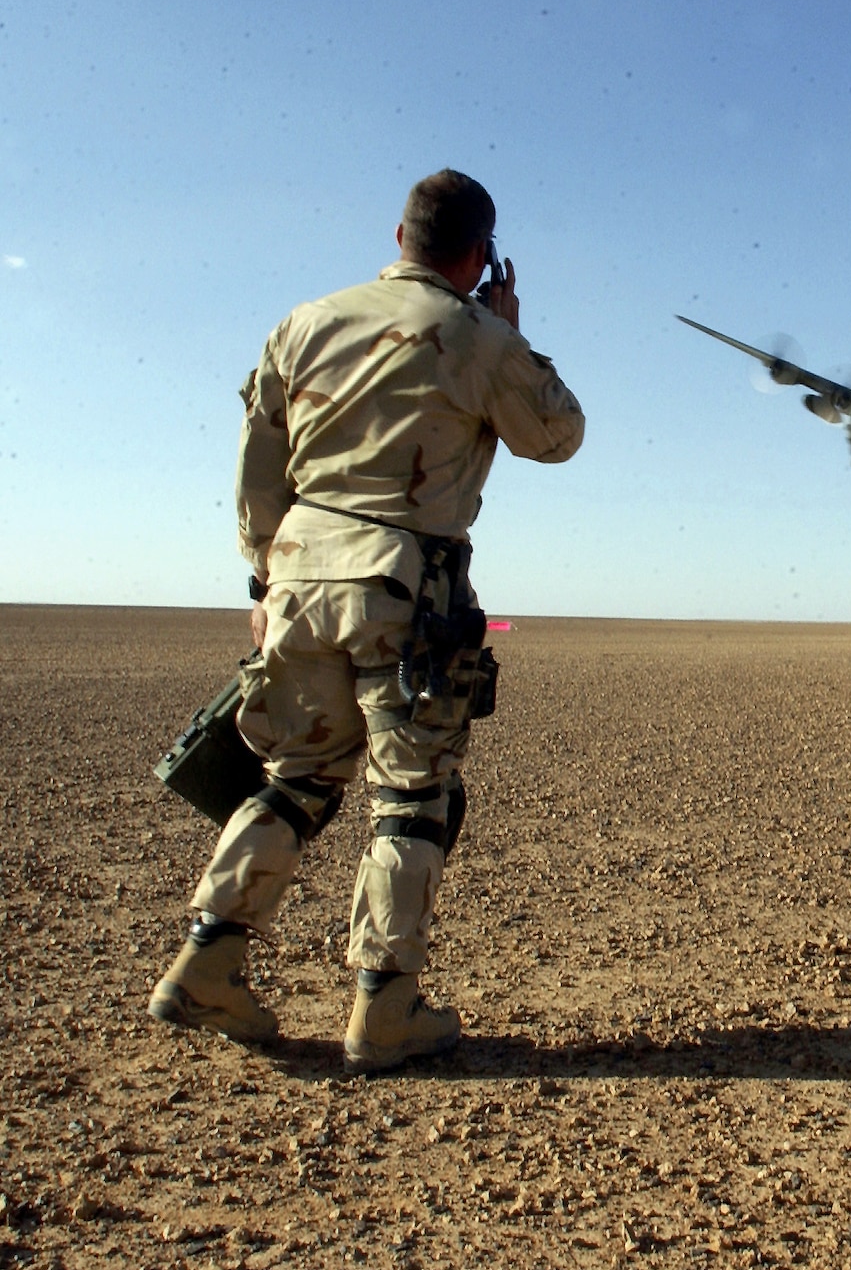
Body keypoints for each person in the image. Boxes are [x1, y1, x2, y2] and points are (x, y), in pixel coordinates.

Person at [148, 169, 586, 1073]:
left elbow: (255, 464)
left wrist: (265, 575)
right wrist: (506, 330)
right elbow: (558, 433)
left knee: (297, 774)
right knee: (413, 795)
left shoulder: (301, 324)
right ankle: (385, 1007)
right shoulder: (474, 335)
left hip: (298, 581)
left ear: (398, 236)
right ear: (479, 255)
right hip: (402, 590)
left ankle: (207, 959)